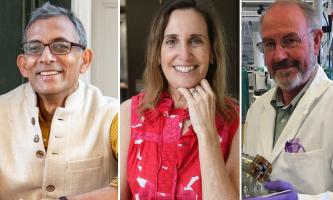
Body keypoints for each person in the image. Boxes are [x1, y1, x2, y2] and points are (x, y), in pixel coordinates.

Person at [120, 0, 239, 199]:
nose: (184, 54)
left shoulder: (236, 120)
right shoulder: (128, 114)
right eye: (171, 41)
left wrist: (207, 134)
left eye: (195, 40)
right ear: (158, 54)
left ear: (212, 53)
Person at [243, 0, 333, 199]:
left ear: (315, 42)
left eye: (290, 40)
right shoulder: (257, 110)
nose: (279, 55)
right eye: (270, 44)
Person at [0, 3, 118, 199]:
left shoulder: (112, 116)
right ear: (23, 64)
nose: (46, 57)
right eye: (34, 48)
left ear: (85, 60)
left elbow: (134, 176)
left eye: (61, 46)